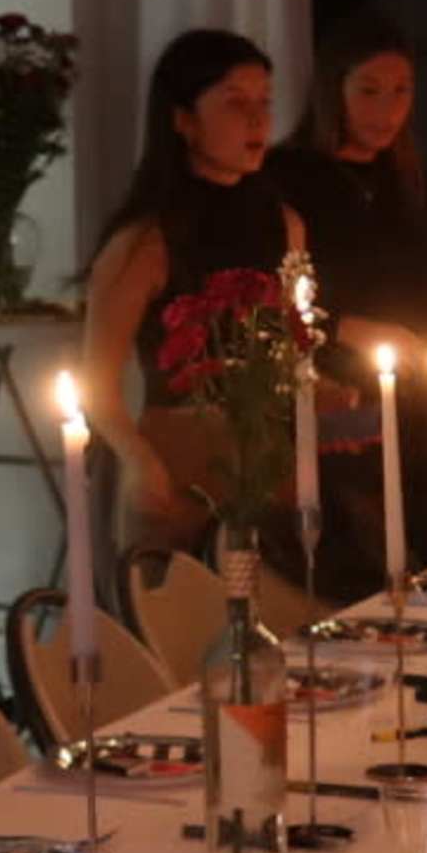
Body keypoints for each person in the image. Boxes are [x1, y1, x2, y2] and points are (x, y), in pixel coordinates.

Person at [76, 31, 303, 561]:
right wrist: (139, 462)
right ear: (183, 119)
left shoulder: (284, 223)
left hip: (266, 459)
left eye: (264, 103)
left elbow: (293, 342)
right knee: (181, 630)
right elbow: (97, 385)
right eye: (234, 103)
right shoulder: (146, 242)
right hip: (177, 463)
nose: (257, 120)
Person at [267, 12, 427, 584]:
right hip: (337, 393)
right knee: (359, 554)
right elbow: (283, 292)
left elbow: (422, 271)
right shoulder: (291, 174)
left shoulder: (403, 174)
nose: (388, 110)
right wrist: (351, 328)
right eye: (370, 92)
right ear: (335, 91)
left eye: (402, 92)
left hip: (415, 390)